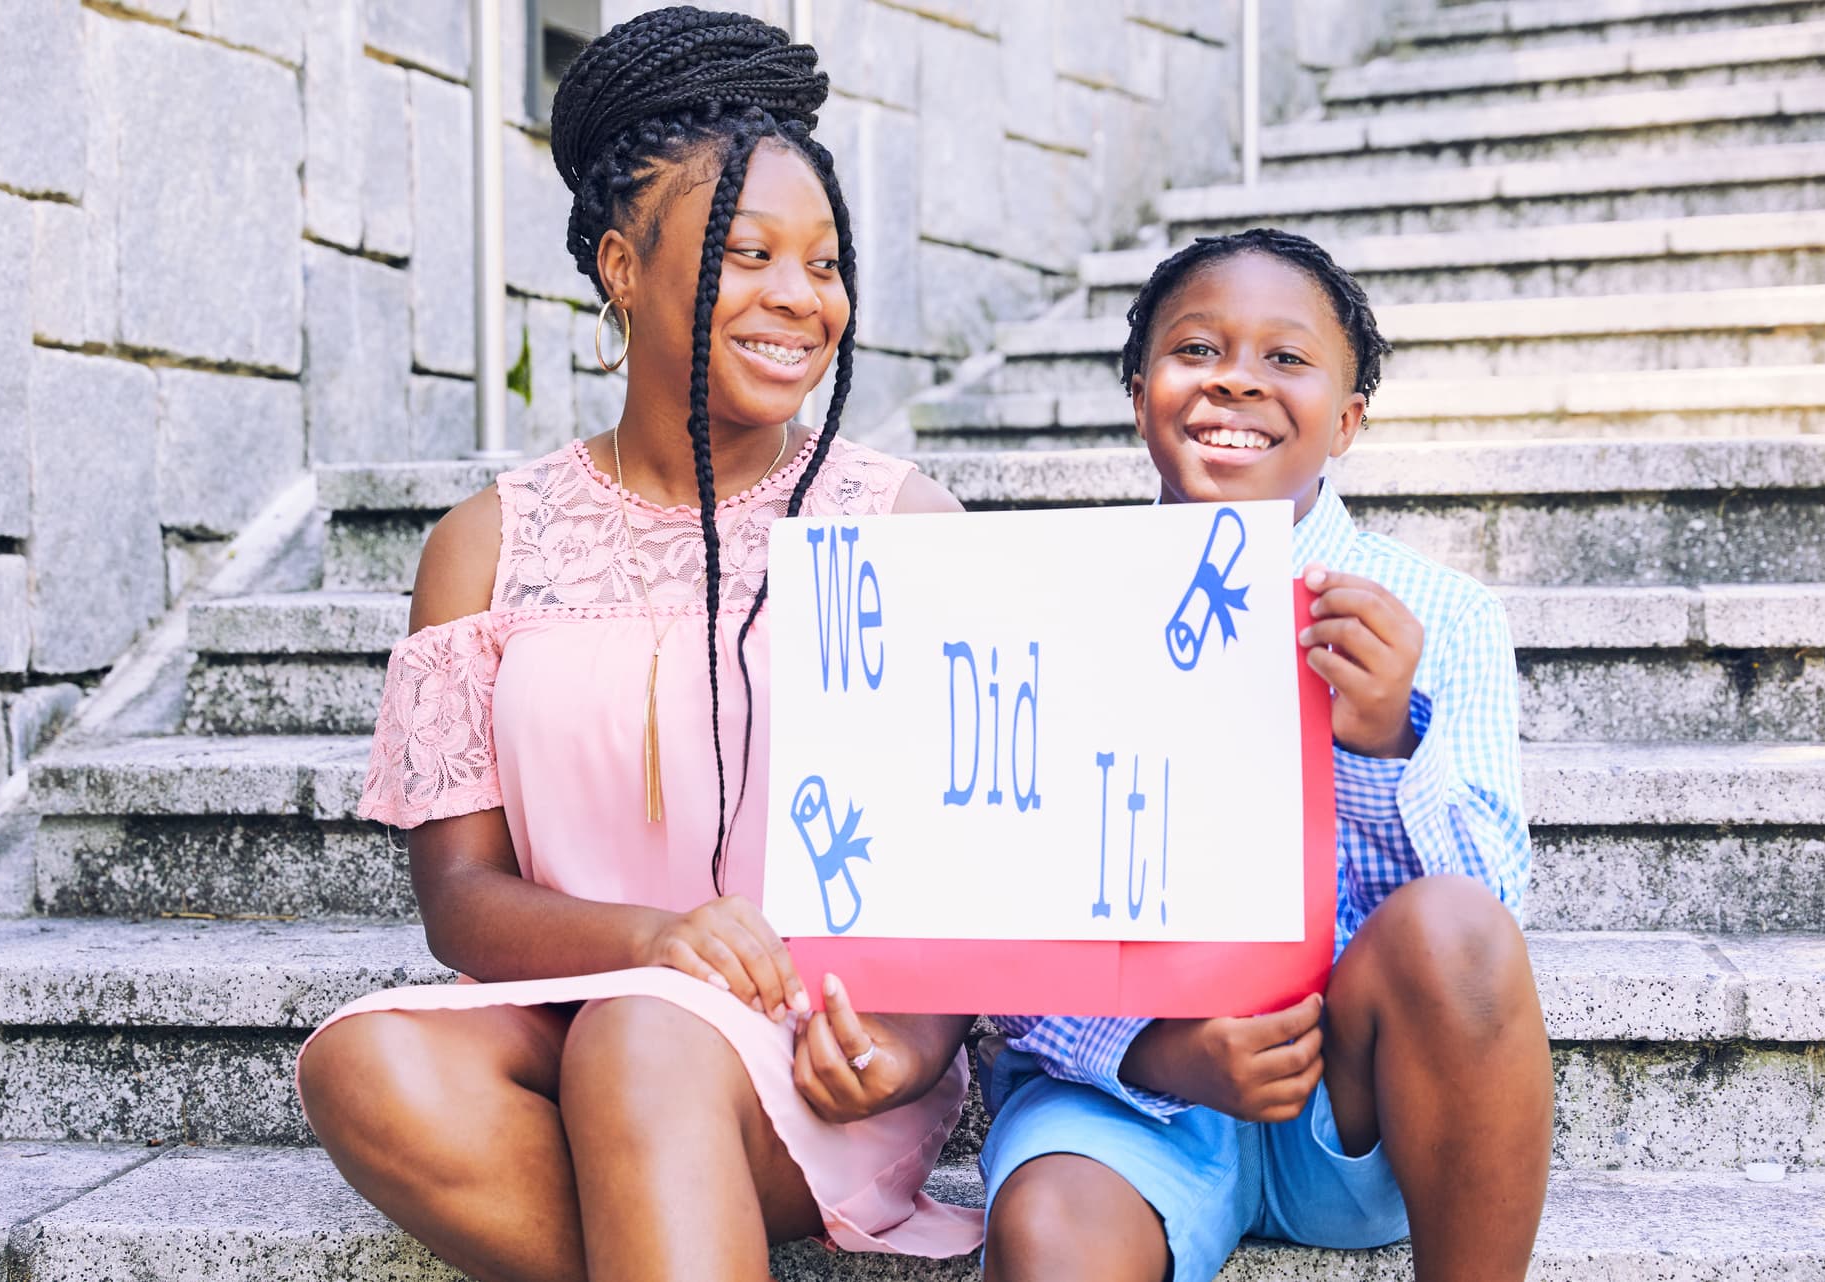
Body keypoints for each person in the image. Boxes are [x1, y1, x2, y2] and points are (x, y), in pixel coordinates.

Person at [294, 9, 982, 1280]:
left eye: (825, 264)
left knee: (642, 1043)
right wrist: (652, 944)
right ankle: (665, 1228)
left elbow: (973, 860)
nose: (800, 298)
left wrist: (918, 1041)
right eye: (752, 255)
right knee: (363, 1060)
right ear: (621, 264)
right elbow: (459, 902)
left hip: (819, 1052)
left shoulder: (899, 524)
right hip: (582, 1013)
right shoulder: (484, 544)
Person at [978, 228, 1553, 1282]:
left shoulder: (1442, 616)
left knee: (1455, 926)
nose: (1237, 379)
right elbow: (990, 919)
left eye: (1286, 358)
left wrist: (1385, 739)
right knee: (1048, 1234)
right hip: (1124, 1098)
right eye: (1197, 350)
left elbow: (1483, 930)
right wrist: (1156, 1050)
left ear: (1347, 420)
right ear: (1139, 390)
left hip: (1352, 1095)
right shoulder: (1043, 601)